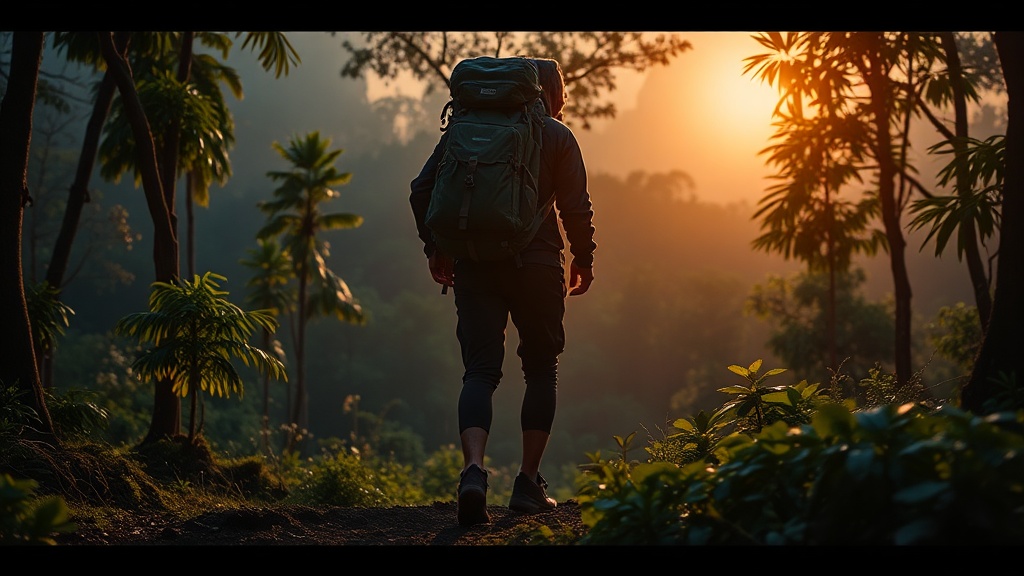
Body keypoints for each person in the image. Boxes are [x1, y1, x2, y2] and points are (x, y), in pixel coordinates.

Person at [409, 57, 597, 527]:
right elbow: (577, 207)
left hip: (474, 265)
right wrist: (584, 259)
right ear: (549, 94)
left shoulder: (463, 129)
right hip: (537, 266)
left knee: (479, 372)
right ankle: (528, 484)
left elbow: (420, 189)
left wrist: (437, 247)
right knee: (540, 369)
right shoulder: (557, 136)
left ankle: (473, 473)